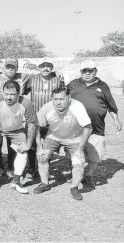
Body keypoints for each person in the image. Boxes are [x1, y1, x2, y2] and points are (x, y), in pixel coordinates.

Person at [67, 60, 122, 188]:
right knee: (73, 152)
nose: (87, 73)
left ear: (95, 71)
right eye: (84, 71)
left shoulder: (103, 86)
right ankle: (75, 174)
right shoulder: (72, 84)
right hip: (75, 127)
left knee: (94, 155)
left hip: (96, 128)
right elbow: (63, 100)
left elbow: (110, 105)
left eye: (90, 71)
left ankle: (88, 176)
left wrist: (116, 119)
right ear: (80, 72)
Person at [34, 87, 92, 200]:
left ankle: (74, 187)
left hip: (74, 138)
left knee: (78, 161)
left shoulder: (77, 106)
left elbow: (88, 128)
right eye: (55, 99)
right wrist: (39, 147)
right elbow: (36, 127)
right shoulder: (47, 108)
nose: (58, 102)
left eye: (61, 99)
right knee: (42, 157)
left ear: (69, 98)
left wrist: (81, 148)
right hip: (54, 136)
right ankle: (44, 183)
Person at [0, 80, 38, 194]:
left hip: (17, 130)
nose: (8, 97)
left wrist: (28, 144)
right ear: (2, 92)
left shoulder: (26, 103)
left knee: (23, 152)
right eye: (6, 94)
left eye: (12, 94)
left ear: (19, 93)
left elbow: (31, 125)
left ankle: (16, 182)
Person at [23, 60, 66, 179]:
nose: (45, 68)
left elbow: (63, 96)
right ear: (39, 67)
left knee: (49, 143)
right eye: (43, 66)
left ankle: (46, 167)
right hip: (34, 116)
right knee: (31, 143)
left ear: (52, 68)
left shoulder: (58, 79)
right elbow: (24, 92)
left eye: (48, 66)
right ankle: (31, 169)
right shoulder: (31, 79)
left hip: (52, 117)